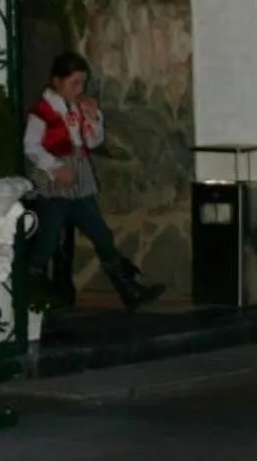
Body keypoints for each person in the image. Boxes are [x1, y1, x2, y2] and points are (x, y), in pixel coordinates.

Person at [24, 52, 165, 313]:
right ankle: (30, 286)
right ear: (57, 81)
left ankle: (128, 288)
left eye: (82, 83)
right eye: (74, 83)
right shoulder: (42, 112)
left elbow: (92, 141)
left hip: (79, 173)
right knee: (48, 237)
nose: (79, 89)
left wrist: (93, 118)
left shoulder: (77, 108)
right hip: (56, 177)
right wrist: (55, 168)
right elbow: (31, 147)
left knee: (100, 232)